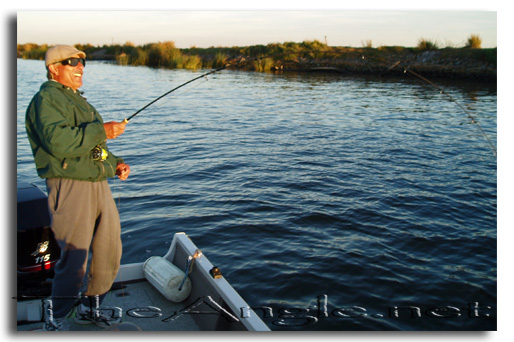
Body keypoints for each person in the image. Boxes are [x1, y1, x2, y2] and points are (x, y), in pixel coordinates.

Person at [25, 45, 130, 331]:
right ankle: (58, 318)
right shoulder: (45, 100)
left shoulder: (80, 102)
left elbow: (94, 150)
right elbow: (59, 143)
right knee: (75, 258)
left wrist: (115, 163)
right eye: (73, 63)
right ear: (54, 68)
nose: (81, 67)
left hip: (98, 185)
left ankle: (90, 308)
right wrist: (102, 130)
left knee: (109, 249)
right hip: (70, 186)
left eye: (82, 63)